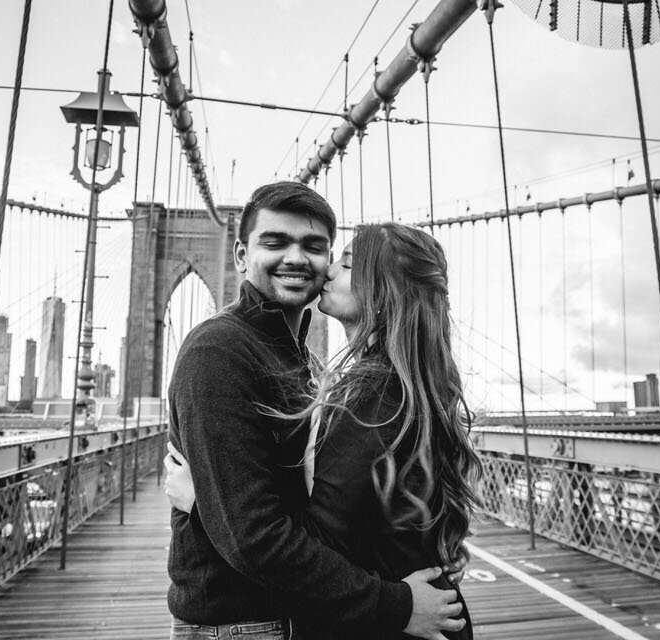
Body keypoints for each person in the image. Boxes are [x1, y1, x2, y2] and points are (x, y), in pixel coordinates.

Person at [165, 183, 466, 640]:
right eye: (275, 242)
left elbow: (323, 527)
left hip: (308, 618)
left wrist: (205, 503)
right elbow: (255, 534)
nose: (298, 259)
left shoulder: (333, 377)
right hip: (243, 626)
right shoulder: (219, 351)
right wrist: (219, 510)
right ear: (241, 255)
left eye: (317, 248)